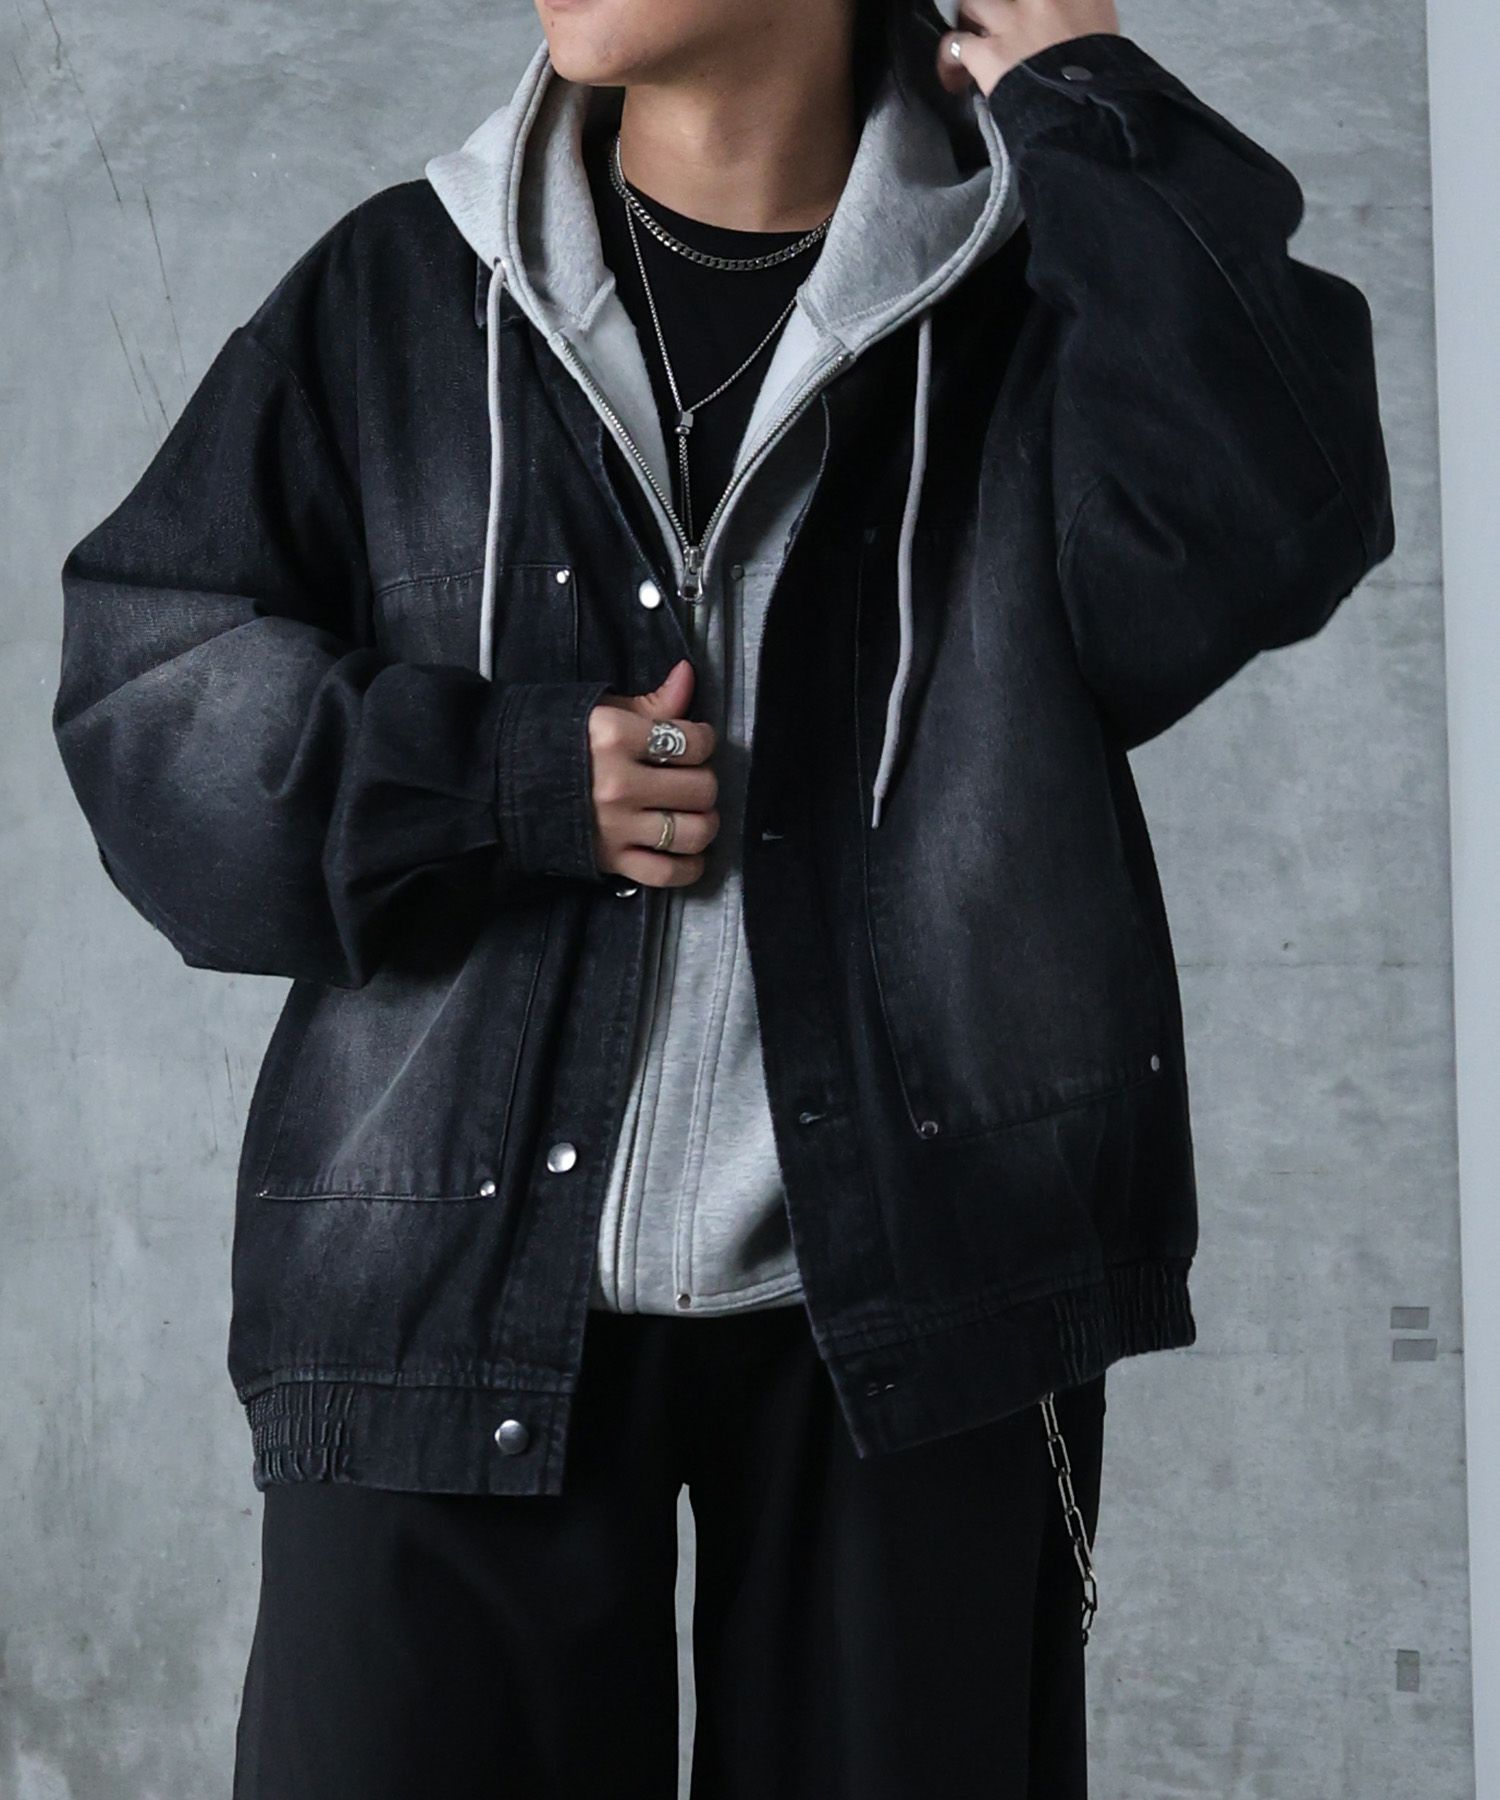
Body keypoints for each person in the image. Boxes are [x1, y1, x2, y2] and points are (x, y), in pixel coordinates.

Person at [50, 0, 1395, 1793]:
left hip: (927, 1291)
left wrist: (1094, 100)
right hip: (438, 1292)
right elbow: (149, 697)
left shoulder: (1037, 306)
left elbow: (1280, 514)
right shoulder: (402, 293)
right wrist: (502, 781)